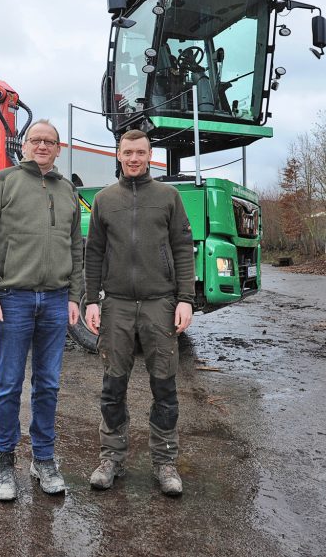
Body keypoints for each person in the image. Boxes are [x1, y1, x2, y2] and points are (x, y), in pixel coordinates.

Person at [0, 119, 83, 501]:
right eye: (35, 140)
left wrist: (74, 296)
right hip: (12, 299)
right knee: (9, 385)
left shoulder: (67, 190)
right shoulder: (2, 183)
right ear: (24, 144)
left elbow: (76, 248)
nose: (42, 146)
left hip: (54, 299)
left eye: (49, 141)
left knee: (48, 384)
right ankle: (3, 462)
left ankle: (43, 459)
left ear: (58, 148)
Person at [83, 128, 195, 496]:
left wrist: (185, 298)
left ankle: (165, 463)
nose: (134, 158)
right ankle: (111, 459)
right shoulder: (104, 200)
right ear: (118, 155)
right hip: (115, 305)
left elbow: (182, 248)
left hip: (159, 304)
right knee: (112, 386)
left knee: (164, 386)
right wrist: (92, 300)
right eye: (127, 152)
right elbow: (94, 253)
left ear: (150, 156)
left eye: (140, 152)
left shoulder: (168, 197)